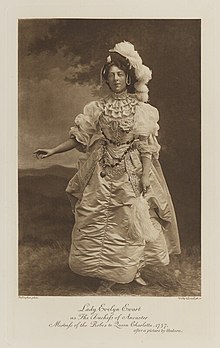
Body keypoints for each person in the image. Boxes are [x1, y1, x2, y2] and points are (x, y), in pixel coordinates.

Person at [34, 41, 181, 294]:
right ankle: (104, 273)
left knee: (130, 219)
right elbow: (79, 136)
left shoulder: (141, 109)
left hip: (131, 170)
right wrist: (52, 150)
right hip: (100, 168)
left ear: (128, 78)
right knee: (95, 216)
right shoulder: (96, 108)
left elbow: (146, 145)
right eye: (110, 75)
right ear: (106, 78)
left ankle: (129, 270)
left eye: (120, 74)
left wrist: (145, 175)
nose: (115, 79)